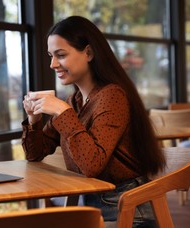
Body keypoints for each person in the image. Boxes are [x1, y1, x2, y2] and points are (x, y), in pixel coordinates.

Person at [21, 16, 166, 227]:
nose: (53, 64)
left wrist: (62, 111)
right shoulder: (76, 101)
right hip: (95, 206)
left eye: (60, 55)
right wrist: (34, 118)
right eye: (51, 56)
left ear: (88, 53)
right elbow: (34, 154)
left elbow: (92, 165)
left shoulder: (112, 96)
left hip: (127, 210)